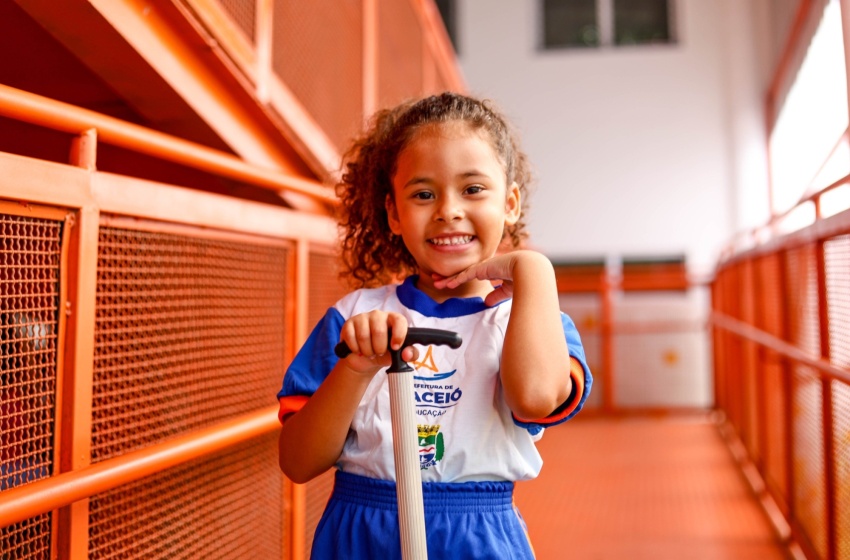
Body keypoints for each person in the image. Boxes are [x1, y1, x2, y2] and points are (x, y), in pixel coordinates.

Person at [277, 92, 592, 559]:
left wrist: (535, 270)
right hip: (363, 536)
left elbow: (535, 398)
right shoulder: (354, 317)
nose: (448, 210)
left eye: (473, 189)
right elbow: (298, 463)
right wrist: (356, 367)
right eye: (424, 194)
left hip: (478, 538)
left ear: (509, 202)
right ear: (394, 213)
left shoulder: (531, 318)